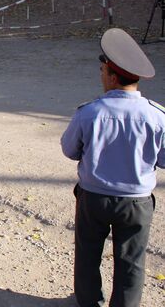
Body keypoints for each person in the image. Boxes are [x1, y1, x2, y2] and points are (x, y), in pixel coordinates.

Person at [61, 28, 165, 307]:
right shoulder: (157, 116)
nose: (101, 75)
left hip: (93, 198)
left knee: (88, 255)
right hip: (137, 203)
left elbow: (70, 150)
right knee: (132, 261)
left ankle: (88, 302)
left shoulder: (89, 112)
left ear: (112, 75)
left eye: (102, 69)